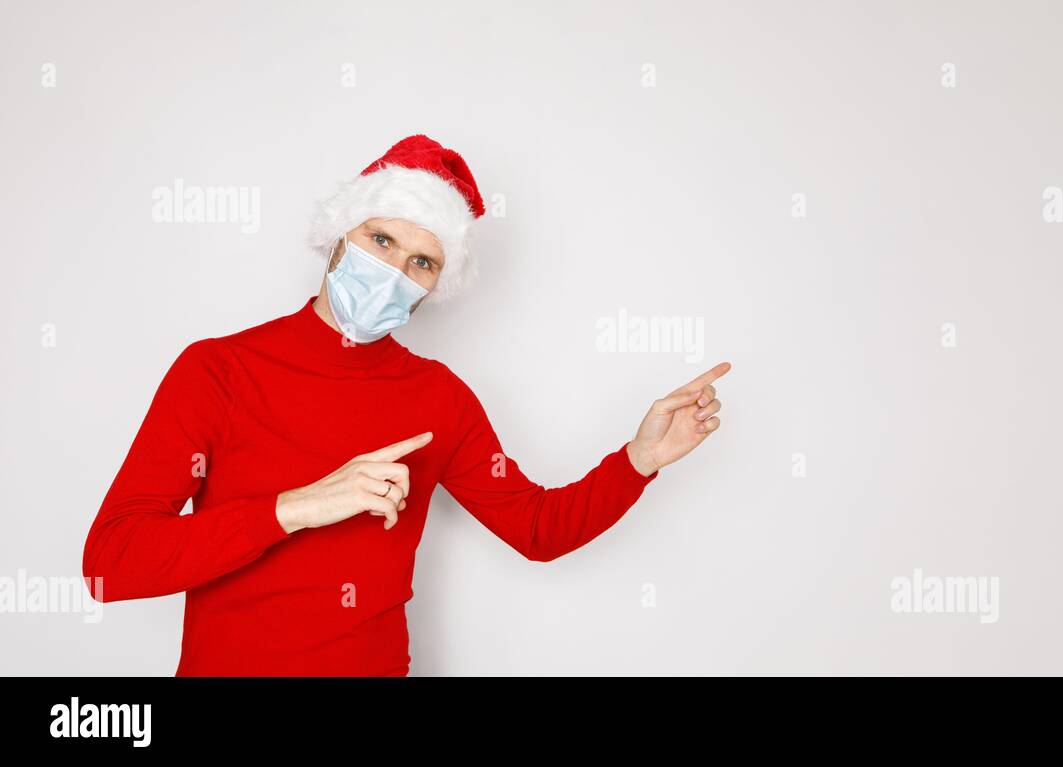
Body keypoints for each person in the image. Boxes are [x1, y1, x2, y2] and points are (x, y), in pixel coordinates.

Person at [82, 135, 730, 675]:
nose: (395, 270)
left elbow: (536, 528)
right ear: (339, 237)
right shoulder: (219, 371)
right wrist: (299, 506)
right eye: (382, 240)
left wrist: (639, 458)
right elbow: (112, 562)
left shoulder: (438, 399)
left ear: (434, 287)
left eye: (422, 261)